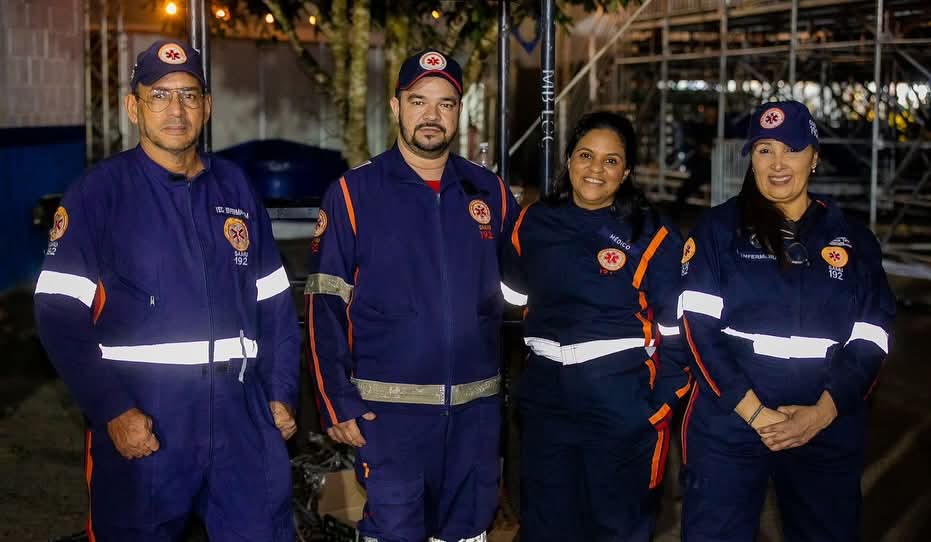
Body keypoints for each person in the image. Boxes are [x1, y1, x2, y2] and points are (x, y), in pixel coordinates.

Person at [33, 40, 300, 541]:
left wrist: (282, 393)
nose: (176, 109)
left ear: (207, 106)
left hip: (240, 416)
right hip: (147, 418)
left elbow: (276, 304)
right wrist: (112, 409)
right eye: (159, 95)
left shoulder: (236, 188)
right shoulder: (99, 194)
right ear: (133, 107)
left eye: (189, 94)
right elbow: (57, 315)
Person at [305, 48, 520, 542]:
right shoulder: (354, 193)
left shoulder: (488, 191)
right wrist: (336, 402)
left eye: (445, 103)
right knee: (394, 531)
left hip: (474, 416)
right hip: (390, 418)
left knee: (468, 533)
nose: (431, 115)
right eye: (419, 101)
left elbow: (522, 285)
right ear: (396, 106)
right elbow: (325, 304)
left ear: (459, 110)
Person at [677, 100, 895, 541]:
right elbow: (697, 332)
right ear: (752, 159)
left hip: (826, 419)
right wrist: (756, 414)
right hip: (731, 417)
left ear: (814, 157)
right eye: (764, 150)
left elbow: (872, 338)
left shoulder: (853, 239)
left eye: (792, 149)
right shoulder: (718, 230)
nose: (777, 164)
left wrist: (822, 413)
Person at [501, 111, 692, 541]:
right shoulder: (533, 222)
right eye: (586, 155)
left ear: (626, 172)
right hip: (546, 398)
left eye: (611, 160)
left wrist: (657, 406)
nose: (596, 169)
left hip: (620, 399)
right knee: (545, 526)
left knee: (616, 527)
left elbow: (679, 333)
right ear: (569, 159)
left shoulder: (653, 234)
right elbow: (510, 298)